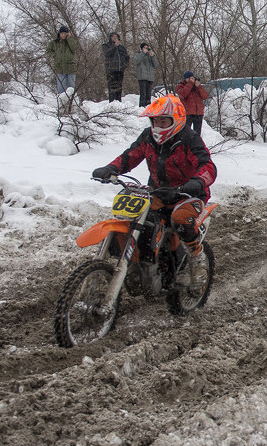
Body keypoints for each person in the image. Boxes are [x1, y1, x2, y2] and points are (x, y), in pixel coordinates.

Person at [91, 95, 217, 287]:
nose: (158, 125)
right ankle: (137, 263)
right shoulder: (148, 136)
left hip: (188, 194)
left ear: (176, 119)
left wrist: (193, 184)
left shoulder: (189, 139)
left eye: (163, 121)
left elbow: (208, 167)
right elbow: (130, 156)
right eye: (155, 121)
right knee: (134, 219)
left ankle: (197, 260)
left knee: (181, 219)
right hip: (158, 193)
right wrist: (111, 169)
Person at [46, 25, 79, 97]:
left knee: (71, 87)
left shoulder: (71, 41)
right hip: (59, 67)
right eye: (62, 33)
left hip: (71, 67)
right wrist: (55, 56)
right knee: (61, 88)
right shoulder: (54, 42)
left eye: (65, 33)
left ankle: (72, 102)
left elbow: (74, 48)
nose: (64, 35)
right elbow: (48, 51)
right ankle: (62, 103)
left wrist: (69, 38)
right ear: (59, 34)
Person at [102, 32, 131, 102]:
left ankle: (119, 102)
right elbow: (107, 53)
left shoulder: (121, 47)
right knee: (111, 87)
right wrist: (114, 46)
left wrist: (124, 65)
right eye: (113, 36)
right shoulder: (106, 45)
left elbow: (127, 57)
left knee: (119, 87)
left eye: (116, 36)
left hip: (120, 70)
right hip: (111, 70)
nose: (115, 38)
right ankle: (112, 102)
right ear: (110, 38)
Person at [133, 42, 158, 107]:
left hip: (150, 77)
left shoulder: (150, 55)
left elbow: (156, 65)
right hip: (142, 77)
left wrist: (153, 56)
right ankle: (142, 106)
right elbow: (136, 61)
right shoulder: (138, 54)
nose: (146, 49)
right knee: (143, 93)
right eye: (144, 47)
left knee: (148, 94)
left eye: (147, 47)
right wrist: (142, 53)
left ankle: (148, 106)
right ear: (141, 48)